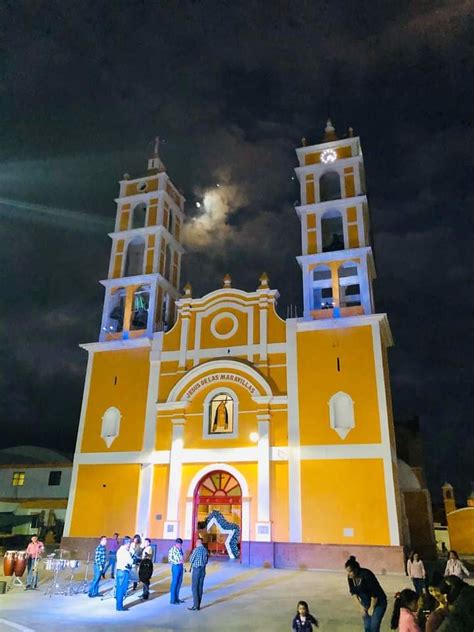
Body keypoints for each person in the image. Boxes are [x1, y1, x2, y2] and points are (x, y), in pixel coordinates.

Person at [345, 555, 387, 632]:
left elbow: (374, 595)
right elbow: (353, 593)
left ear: (356, 569)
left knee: (374, 627)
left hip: (379, 601)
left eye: (350, 571)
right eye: (348, 572)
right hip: (365, 603)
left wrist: (371, 609)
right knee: (367, 628)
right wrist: (361, 607)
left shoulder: (366, 575)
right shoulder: (350, 577)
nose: (349, 574)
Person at [188, 537, 209, 611]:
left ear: (198, 542)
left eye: (196, 542)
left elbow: (191, 559)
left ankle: (195, 605)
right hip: (203, 570)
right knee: (200, 587)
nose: (196, 544)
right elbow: (206, 560)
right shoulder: (205, 550)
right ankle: (198, 605)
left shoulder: (196, 550)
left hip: (196, 569)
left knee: (194, 587)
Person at [115, 535, 133, 612]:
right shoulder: (125, 552)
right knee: (122, 589)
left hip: (119, 571)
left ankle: (118, 605)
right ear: (127, 543)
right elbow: (130, 561)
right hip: (124, 571)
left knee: (119, 588)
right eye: (129, 543)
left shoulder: (119, 550)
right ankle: (120, 607)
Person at [168, 537, 185, 604]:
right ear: (176, 543)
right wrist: (178, 561)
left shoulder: (180, 549)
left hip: (181, 567)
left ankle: (177, 598)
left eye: (180, 544)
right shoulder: (172, 550)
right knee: (175, 582)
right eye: (179, 544)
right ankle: (172, 600)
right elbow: (170, 559)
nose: (180, 545)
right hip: (176, 566)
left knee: (179, 582)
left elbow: (182, 556)